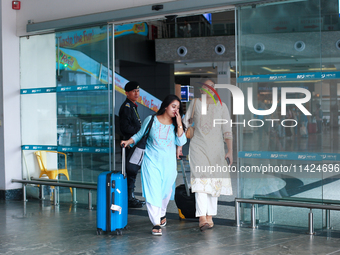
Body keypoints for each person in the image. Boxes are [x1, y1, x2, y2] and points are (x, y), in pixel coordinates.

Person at [121, 95, 187, 236]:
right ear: (165, 106)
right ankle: (156, 222)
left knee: (165, 192)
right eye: (173, 106)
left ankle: (162, 214)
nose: (176, 110)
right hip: (151, 162)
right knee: (153, 191)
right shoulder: (151, 120)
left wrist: (180, 122)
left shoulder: (176, 125)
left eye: (178, 108)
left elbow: (181, 141)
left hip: (168, 164)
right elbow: (140, 134)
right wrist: (128, 142)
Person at [180, 78, 233, 231]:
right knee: (200, 180)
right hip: (198, 148)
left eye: (212, 86)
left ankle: (210, 215)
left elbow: (227, 130)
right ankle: (202, 216)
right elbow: (184, 124)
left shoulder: (222, 107)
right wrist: (179, 146)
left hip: (217, 150)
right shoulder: (195, 102)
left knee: (214, 183)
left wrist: (230, 151)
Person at [119, 81, 145, 208]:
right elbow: (125, 128)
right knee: (130, 171)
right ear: (127, 93)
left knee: (132, 171)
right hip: (129, 144)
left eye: (138, 91)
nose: (136, 93)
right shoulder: (127, 107)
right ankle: (129, 198)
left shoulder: (133, 106)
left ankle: (130, 197)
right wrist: (139, 133)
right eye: (133, 91)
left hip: (133, 143)